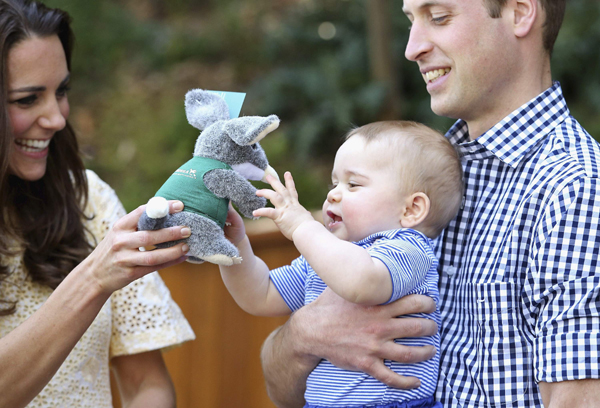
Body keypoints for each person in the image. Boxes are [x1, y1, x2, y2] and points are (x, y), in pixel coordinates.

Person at [259, 0, 600, 407]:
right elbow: (280, 389)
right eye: (410, 21)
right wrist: (303, 336)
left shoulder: (576, 191)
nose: (412, 47)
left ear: (521, 13)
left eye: (438, 17)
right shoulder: (409, 171)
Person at [0, 1, 195, 407]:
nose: (56, 117)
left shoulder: (88, 198)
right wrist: (92, 279)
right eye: (27, 99)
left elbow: (147, 386)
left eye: (61, 91)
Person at [220, 121, 463, 408]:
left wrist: (301, 226)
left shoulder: (408, 248)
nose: (333, 194)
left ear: (411, 209)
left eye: (353, 184)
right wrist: (232, 246)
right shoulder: (328, 254)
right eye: (334, 183)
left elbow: (361, 283)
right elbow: (260, 294)